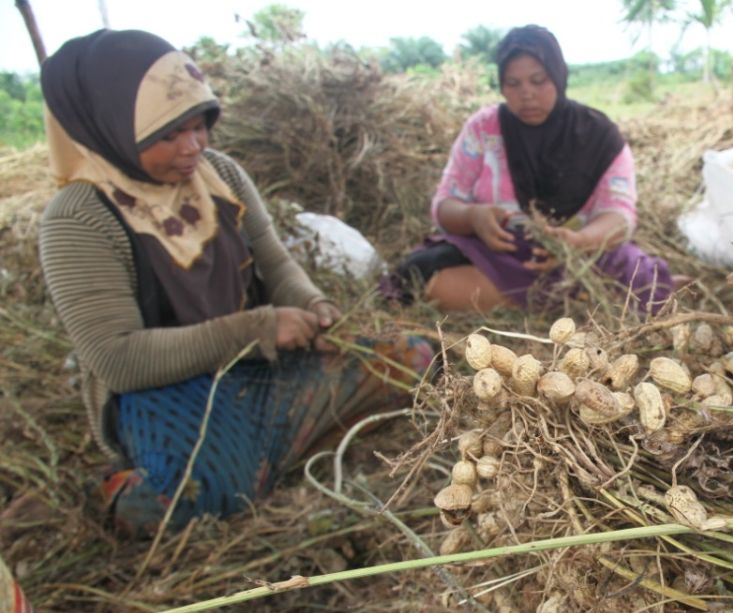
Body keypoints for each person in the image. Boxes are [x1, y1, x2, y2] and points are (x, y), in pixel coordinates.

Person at [38, 29, 434, 535]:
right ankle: (234, 456)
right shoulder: (80, 218)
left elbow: (275, 263)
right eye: (169, 135)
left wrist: (312, 304)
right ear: (109, 129)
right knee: (171, 504)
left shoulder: (219, 174)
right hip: (167, 392)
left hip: (261, 367)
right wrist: (258, 329)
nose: (193, 147)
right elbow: (118, 359)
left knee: (413, 361)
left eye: (201, 125)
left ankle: (263, 446)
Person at [379, 24, 673, 314]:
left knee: (639, 276)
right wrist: (473, 217)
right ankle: (569, 300)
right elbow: (444, 205)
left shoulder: (599, 135)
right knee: (429, 279)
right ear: (501, 84)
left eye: (538, 80)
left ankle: (549, 297)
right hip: (499, 254)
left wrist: (577, 244)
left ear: (559, 76)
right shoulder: (484, 129)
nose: (527, 94)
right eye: (513, 83)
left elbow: (619, 215)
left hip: (578, 256)